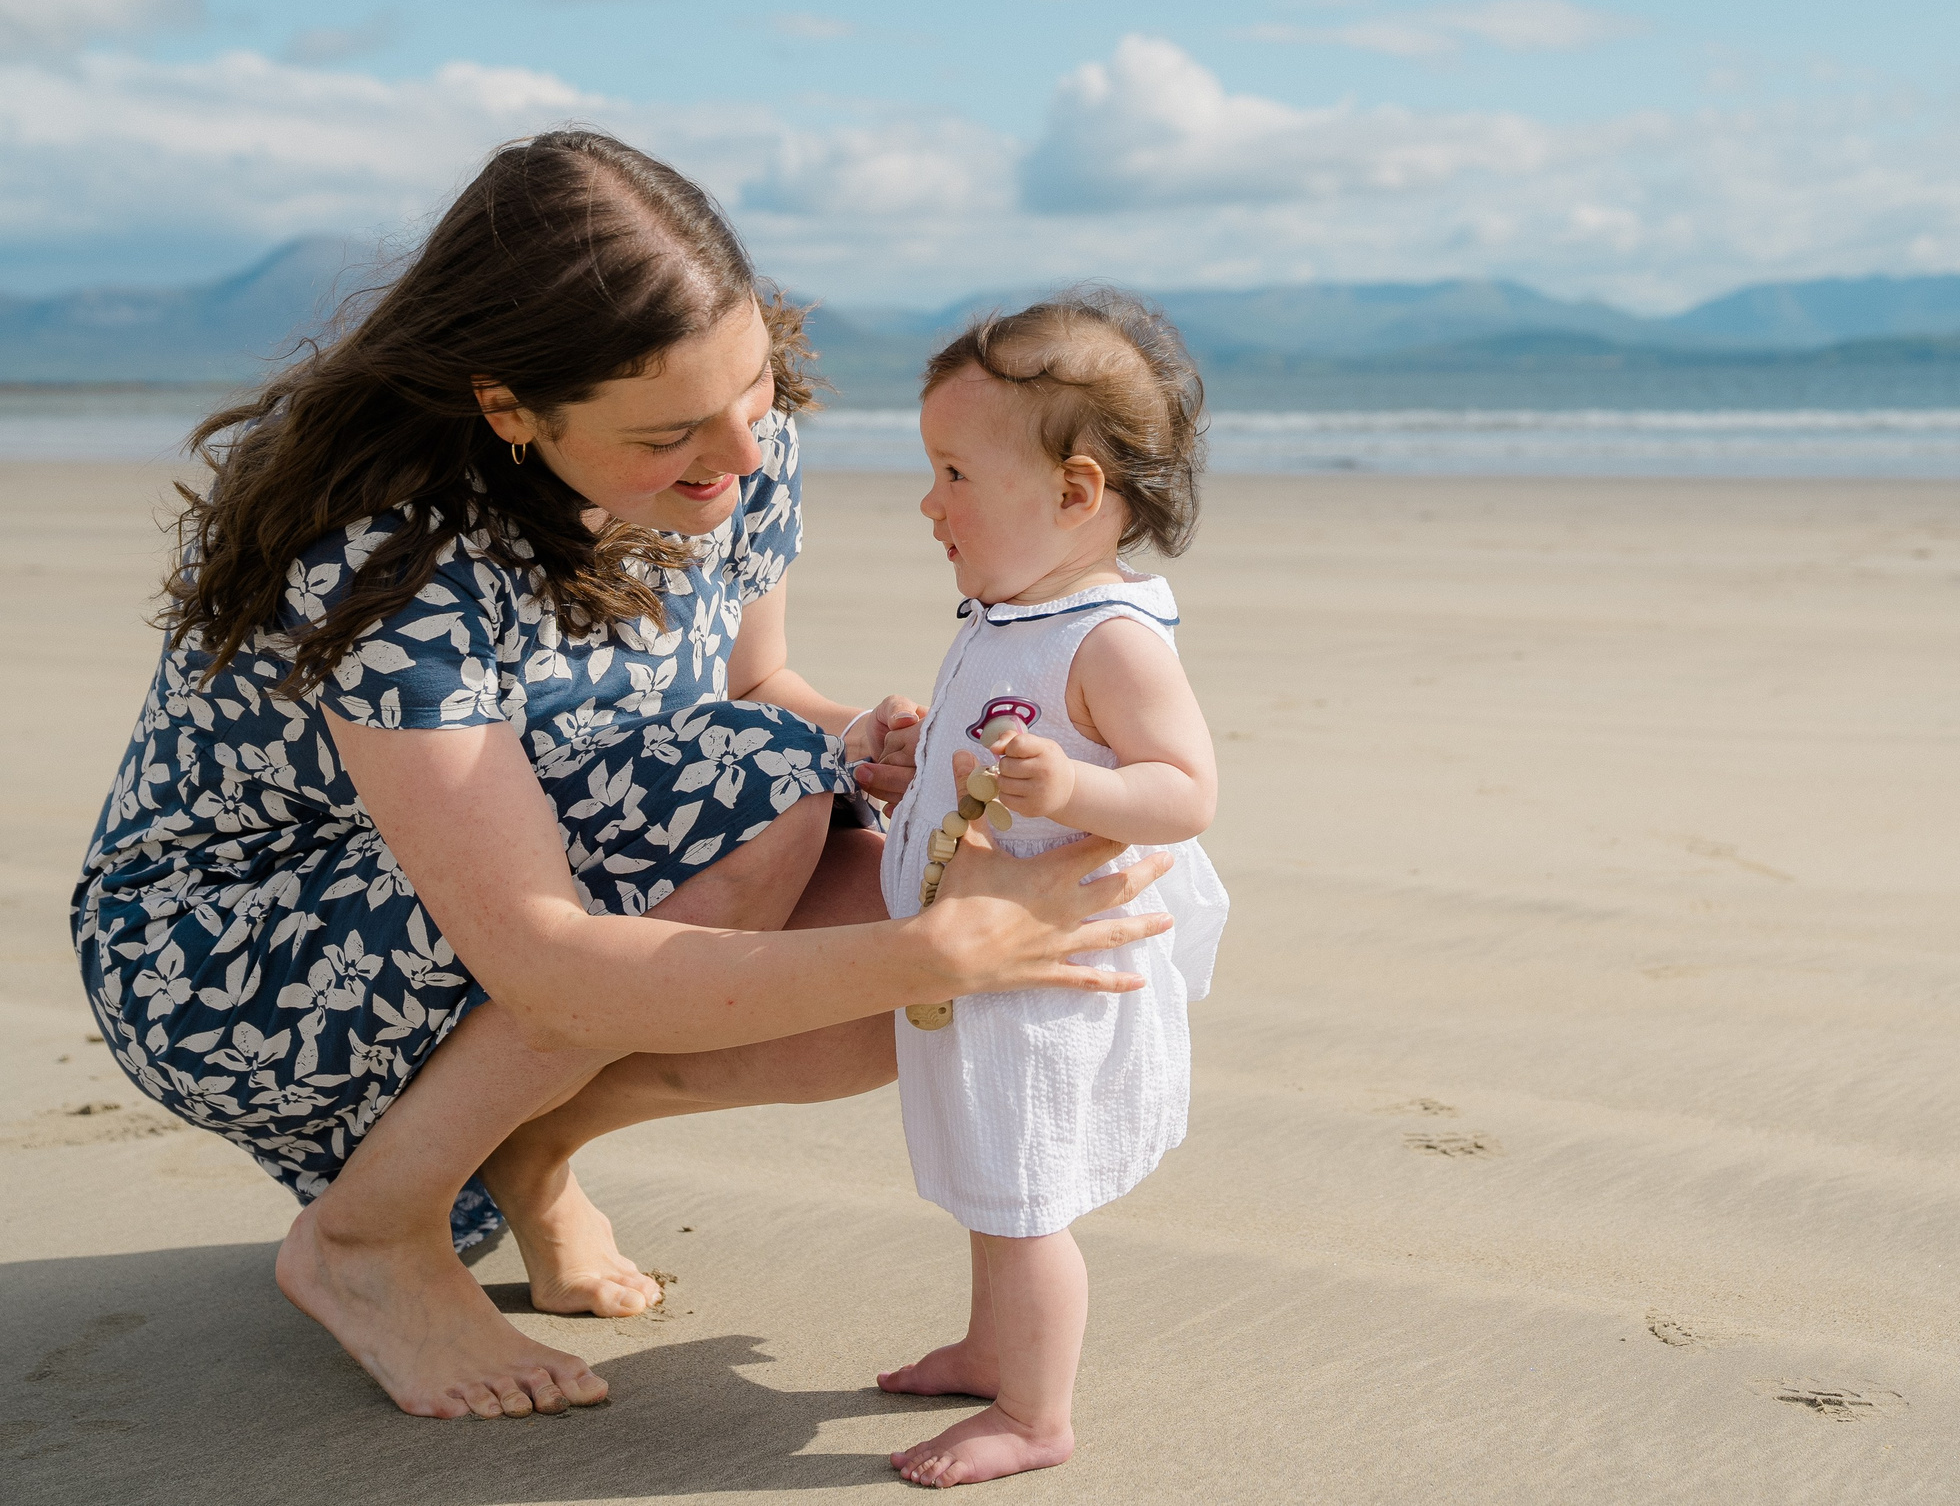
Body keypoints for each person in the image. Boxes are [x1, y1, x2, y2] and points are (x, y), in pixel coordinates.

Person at [70, 130, 1173, 1423]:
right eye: (671, 433)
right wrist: (950, 944)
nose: (741, 455)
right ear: (511, 410)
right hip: (233, 954)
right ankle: (371, 1232)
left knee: (887, 977)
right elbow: (547, 950)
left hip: (515, 882)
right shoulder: (392, 555)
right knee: (839, 873)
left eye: (754, 391)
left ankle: (525, 1145)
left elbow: (757, 693)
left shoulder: (739, 455)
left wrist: (875, 741)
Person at [869, 291, 1227, 1487]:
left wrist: (1073, 787)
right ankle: (990, 1346)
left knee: (1025, 1189)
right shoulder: (1014, 609)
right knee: (987, 1168)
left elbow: (1183, 791)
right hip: (985, 952)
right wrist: (910, 759)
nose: (930, 505)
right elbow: (980, 750)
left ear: (1076, 494)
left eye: (954, 474)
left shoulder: (1109, 638)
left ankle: (1036, 1414)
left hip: (1050, 966)